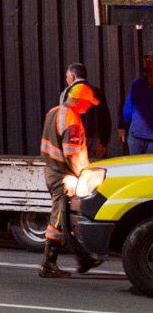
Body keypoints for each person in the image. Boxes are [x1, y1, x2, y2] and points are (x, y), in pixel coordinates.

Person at [38, 81, 102, 278]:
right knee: (59, 221)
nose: (89, 107)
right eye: (87, 103)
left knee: (66, 219)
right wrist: (83, 175)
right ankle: (48, 265)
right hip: (64, 176)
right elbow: (72, 154)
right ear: (79, 100)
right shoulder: (72, 120)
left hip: (52, 170)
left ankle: (83, 260)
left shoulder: (54, 112)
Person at [62, 63, 111, 161]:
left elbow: (63, 118)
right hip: (95, 140)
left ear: (73, 77)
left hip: (75, 139)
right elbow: (106, 119)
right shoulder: (97, 92)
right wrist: (103, 143)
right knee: (93, 170)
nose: (66, 79)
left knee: (76, 170)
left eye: (67, 76)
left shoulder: (67, 92)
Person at [122, 55, 153, 157]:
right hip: (136, 136)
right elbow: (129, 106)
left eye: (151, 58)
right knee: (134, 167)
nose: (148, 61)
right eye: (146, 58)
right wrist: (122, 126)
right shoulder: (137, 84)